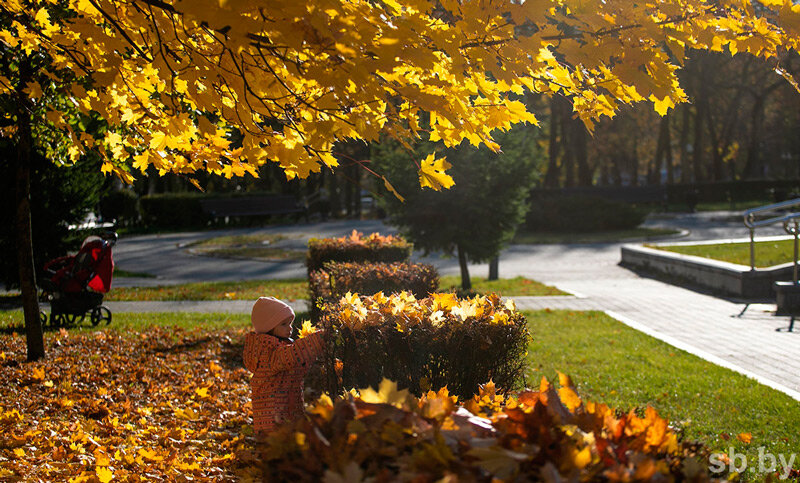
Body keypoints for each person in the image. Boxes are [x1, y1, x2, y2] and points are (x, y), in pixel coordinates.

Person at [243, 296, 325, 438]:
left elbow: (297, 363)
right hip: (272, 414)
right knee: (277, 442)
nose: (290, 328)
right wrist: (318, 339)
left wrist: (312, 352)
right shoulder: (267, 351)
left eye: (290, 323)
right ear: (269, 327)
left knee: (288, 441)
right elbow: (290, 356)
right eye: (284, 324)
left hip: (287, 405)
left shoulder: (280, 346)